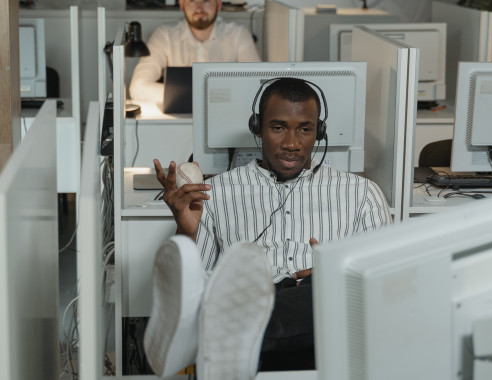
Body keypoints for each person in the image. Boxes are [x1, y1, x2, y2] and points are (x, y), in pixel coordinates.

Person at [145, 78, 392, 379]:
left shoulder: (362, 193)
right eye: (278, 128)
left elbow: (386, 287)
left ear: (320, 132)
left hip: (322, 316)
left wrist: (335, 274)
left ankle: (219, 333)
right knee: (232, 295)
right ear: (257, 128)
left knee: (325, 291)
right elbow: (198, 284)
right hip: (252, 300)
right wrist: (186, 229)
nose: (292, 143)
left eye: (305, 129)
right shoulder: (215, 193)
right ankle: (234, 328)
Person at [129, 0, 261, 103]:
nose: (199, 8)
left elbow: (257, 84)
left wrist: (183, 95)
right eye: (192, 0)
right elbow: (137, 87)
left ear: (218, 4)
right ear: (182, 5)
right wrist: (193, 96)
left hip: (226, 117)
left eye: (206, 0)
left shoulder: (238, 34)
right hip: (178, 122)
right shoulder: (164, 35)